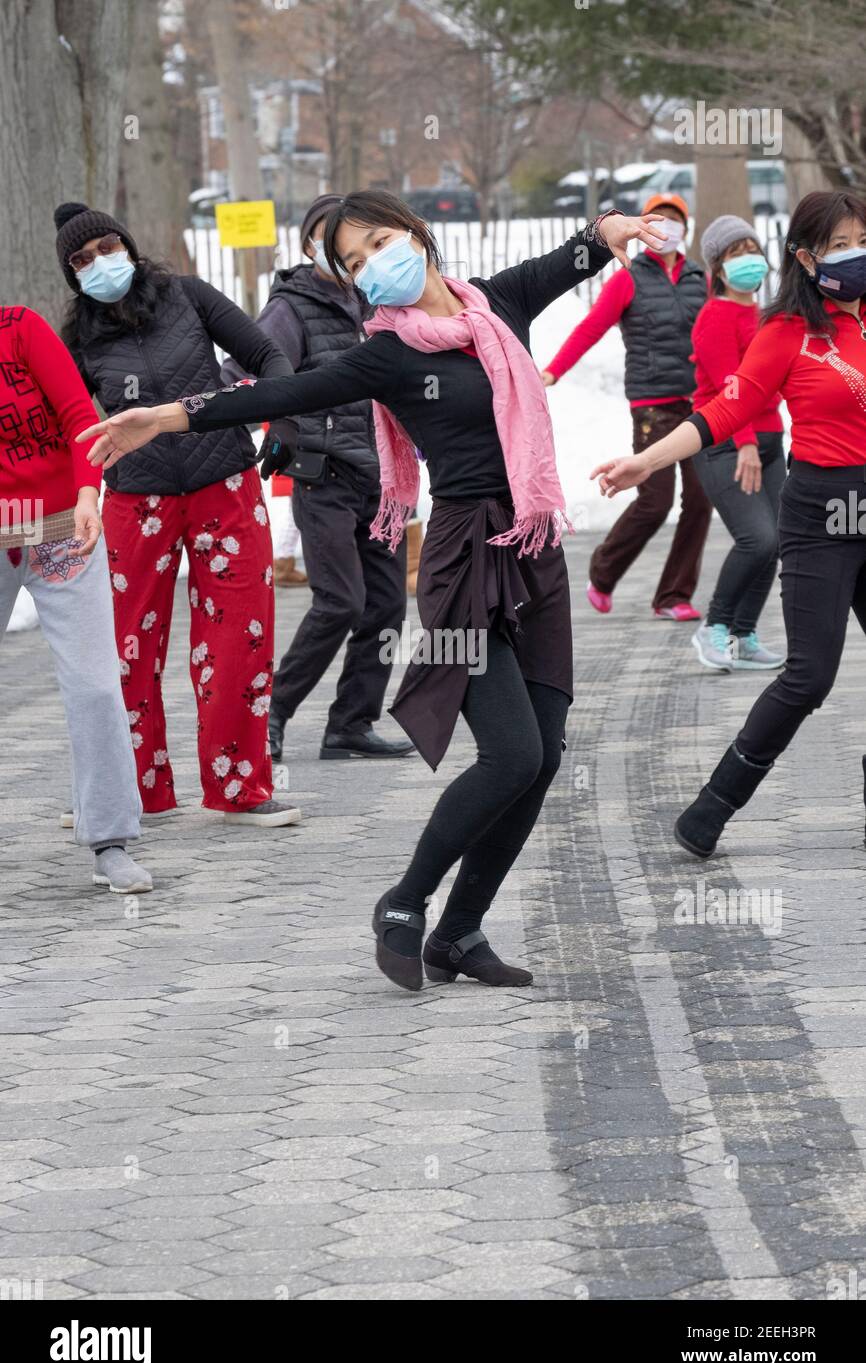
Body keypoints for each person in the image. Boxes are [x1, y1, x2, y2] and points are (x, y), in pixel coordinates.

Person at [76, 189, 665, 987]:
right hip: (461, 561)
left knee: (546, 755)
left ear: (416, 235)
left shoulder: (496, 306)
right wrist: (169, 417)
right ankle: (405, 899)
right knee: (510, 753)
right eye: (352, 262)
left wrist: (610, 230)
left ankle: (458, 933)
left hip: (531, 547)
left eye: (379, 243)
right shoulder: (386, 354)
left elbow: (572, 258)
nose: (370, 265)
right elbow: (274, 393)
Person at [591, 190, 866, 858]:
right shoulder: (787, 333)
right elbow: (722, 411)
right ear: (804, 257)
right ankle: (711, 807)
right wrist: (644, 461)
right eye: (839, 246)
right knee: (810, 675)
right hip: (822, 515)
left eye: (862, 239)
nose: (855, 256)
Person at [55, 202, 299, 828]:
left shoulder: (188, 296)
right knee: (125, 651)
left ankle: (240, 790)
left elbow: (269, 358)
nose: (98, 264)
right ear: (72, 275)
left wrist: (283, 419)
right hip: (136, 502)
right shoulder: (77, 339)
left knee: (239, 641)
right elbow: (66, 425)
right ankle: (134, 791)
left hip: (226, 485)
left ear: (128, 246)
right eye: (81, 261)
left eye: (106, 248)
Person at [222, 193, 414, 762]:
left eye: (352, 240)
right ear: (310, 247)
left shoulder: (380, 300)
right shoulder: (291, 306)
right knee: (341, 602)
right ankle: (271, 715)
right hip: (321, 474)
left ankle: (350, 725)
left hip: (379, 479)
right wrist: (267, 420)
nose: (341, 250)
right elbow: (244, 370)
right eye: (326, 237)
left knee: (387, 606)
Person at [0, 304, 150, 893]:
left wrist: (90, 493)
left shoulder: (19, 328)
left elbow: (76, 416)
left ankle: (111, 841)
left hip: (64, 525)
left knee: (93, 685)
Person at [543, 193, 710, 620]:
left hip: (698, 403)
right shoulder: (628, 277)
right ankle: (603, 570)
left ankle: (674, 595)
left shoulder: (700, 278)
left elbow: (722, 332)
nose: (668, 229)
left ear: (685, 231)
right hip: (653, 405)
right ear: (645, 229)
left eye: (676, 222)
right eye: (660, 220)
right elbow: (590, 328)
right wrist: (553, 371)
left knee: (701, 498)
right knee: (655, 501)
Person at [689, 216, 786, 673]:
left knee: (778, 539)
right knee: (756, 538)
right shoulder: (714, 317)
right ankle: (714, 627)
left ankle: (743, 634)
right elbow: (732, 389)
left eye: (751, 248)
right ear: (718, 268)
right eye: (734, 252)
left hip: (769, 441)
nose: (747, 258)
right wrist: (744, 442)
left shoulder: (768, 316)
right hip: (725, 443)